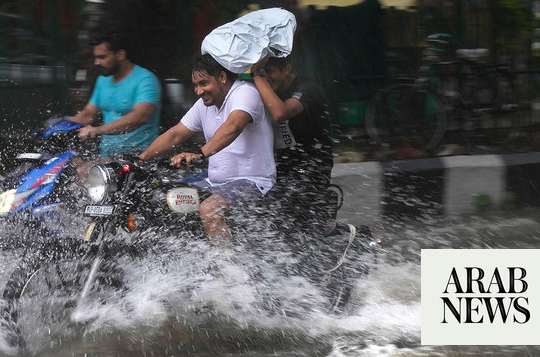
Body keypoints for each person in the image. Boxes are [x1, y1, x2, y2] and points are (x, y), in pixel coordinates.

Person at [139, 54, 276, 244]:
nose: (198, 91)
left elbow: (233, 126)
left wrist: (200, 154)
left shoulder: (245, 92)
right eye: (195, 85)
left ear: (222, 77)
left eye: (203, 83)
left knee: (209, 209)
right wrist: (141, 160)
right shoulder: (205, 104)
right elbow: (176, 134)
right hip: (213, 183)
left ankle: (229, 270)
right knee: (161, 200)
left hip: (253, 182)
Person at [250, 55, 339, 226]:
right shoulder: (264, 88)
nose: (265, 77)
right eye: (262, 72)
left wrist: (256, 75)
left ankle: (356, 236)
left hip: (312, 163)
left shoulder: (308, 87)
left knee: (302, 219)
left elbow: (281, 113)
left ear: (287, 69)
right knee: (283, 220)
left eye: (269, 71)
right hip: (283, 165)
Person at [70, 30, 162, 157]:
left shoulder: (145, 80)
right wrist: (58, 125)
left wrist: (98, 130)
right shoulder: (103, 79)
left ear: (120, 54)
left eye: (102, 57)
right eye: (95, 57)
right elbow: (88, 115)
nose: (96, 62)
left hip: (140, 158)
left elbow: (139, 117)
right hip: (106, 157)